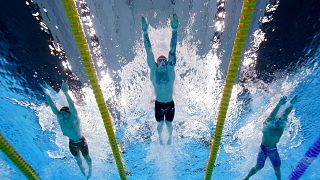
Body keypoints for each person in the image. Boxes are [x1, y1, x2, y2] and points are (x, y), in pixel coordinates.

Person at [41, 82, 92, 178]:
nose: (62, 116)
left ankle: (90, 171)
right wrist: (47, 94)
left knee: (88, 159)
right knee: (78, 161)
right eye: (61, 113)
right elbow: (52, 106)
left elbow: (72, 106)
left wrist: (66, 93)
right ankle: (84, 172)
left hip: (81, 141)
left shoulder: (73, 117)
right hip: (71, 143)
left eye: (64, 113)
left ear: (68, 113)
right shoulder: (60, 117)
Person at [141, 14, 178, 145]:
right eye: (159, 60)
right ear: (156, 63)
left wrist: (175, 30)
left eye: (164, 60)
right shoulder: (154, 71)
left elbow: (173, 50)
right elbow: (148, 52)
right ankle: (160, 138)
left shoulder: (170, 70)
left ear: (167, 62)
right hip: (158, 104)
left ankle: (170, 138)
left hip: (169, 104)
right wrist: (145, 32)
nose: (162, 62)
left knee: (169, 124)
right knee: (160, 124)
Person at [244, 96, 298, 180]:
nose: (278, 121)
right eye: (276, 120)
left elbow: (286, 114)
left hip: (273, 150)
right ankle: (247, 178)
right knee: (259, 166)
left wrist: (292, 103)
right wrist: (278, 105)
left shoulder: (280, 127)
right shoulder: (267, 125)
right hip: (263, 148)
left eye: (278, 120)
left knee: (277, 168)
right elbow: (272, 115)